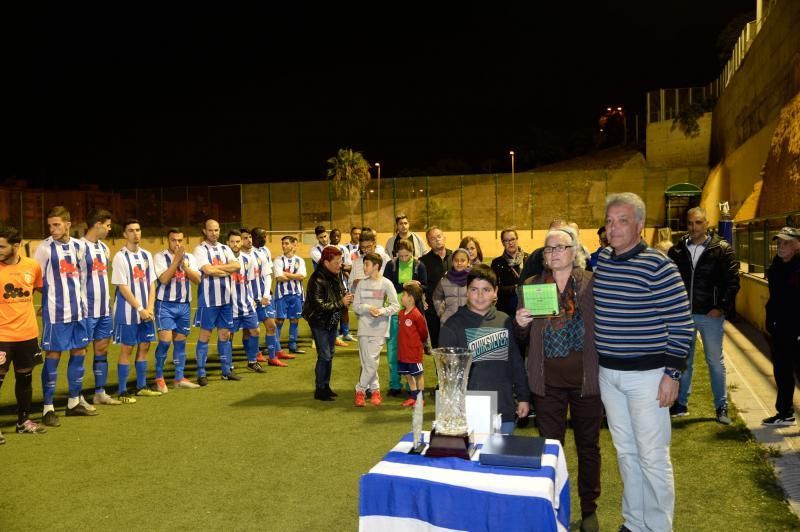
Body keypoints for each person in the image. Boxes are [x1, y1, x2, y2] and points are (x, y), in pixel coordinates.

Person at [593, 192, 693, 532]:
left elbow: (682, 324)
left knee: (652, 457)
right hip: (609, 375)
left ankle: (659, 528)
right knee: (626, 453)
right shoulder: (603, 260)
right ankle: (634, 523)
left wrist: (672, 375)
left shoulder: (658, 265)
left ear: (639, 224)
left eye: (622, 220)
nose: (614, 227)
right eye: (609, 221)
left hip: (648, 378)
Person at [515, 226, 601, 532]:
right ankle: (550, 505)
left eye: (560, 247)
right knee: (550, 447)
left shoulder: (591, 283)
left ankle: (589, 509)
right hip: (547, 380)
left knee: (588, 446)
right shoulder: (531, 285)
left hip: (586, 380)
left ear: (574, 251)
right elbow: (524, 337)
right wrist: (521, 323)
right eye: (548, 249)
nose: (554, 253)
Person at [667, 207, 739, 424]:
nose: (694, 227)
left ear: (707, 223)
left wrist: (720, 306)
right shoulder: (677, 250)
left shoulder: (722, 249)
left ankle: (721, 406)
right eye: (690, 223)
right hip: (683, 315)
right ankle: (681, 403)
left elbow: (733, 282)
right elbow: (668, 282)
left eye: (698, 223)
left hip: (710, 315)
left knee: (714, 361)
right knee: (684, 361)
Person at [439, 264, 530, 435]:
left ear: (495, 292)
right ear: (467, 291)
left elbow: (516, 364)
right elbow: (448, 376)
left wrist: (524, 397)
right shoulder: (452, 326)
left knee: (500, 458)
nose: (480, 295)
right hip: (468, 412)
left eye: (486, 290)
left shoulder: (505, 321)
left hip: (504, 408)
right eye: (474, 289)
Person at [34, 206, 94, 425]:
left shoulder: (80, 247)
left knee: (79, 352)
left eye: (57, 224)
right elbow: (36, 279)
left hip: (79, 312)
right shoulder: (44, 248)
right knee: (54, 355)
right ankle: (48, 408)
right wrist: (50, 298)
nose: (52, 229)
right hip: (56, 313)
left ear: (68, 224)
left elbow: (83, 277)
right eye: (50, 225)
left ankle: (73, 402)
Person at [0, 226, 47, 441]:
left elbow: (42, 288)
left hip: (27, 334)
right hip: (2, 337)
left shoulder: (32, 266)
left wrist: (45, 305)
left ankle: (23, 421)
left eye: (2, 246)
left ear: (16, 245)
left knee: (25, 379)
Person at [111, 219, 160, 401]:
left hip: (146, 311)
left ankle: (141, 386)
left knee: (145, 346)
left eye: (138, 230)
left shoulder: (147, 255)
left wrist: (150, 307)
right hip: (128, 311)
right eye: (131, 230)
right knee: (127, 349)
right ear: (125, 234)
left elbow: (152, 283)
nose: (135, 233)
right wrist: (139, 308)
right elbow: (122, 286)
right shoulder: (120, 257)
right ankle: (122, 391)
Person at [193, 218, 241, 385]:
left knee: (225, 334)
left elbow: (236, 266)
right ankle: (201, 373)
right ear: (205, 231)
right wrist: (225, 271)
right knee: (205, 335)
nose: (214, 233)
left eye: (217, 230)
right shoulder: (200, 250)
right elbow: (206, 269)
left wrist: (217, 270)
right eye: (211, 230)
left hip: (226, 299)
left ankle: (226, 371)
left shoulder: (225, 248)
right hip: (208, 300)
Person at [153, 227, 202, 391]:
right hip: (165, 305)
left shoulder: (190, 258)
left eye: (180, 240)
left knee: (180, 343)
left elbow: (197, 280)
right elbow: (164, 279)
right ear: (168, 240)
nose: (177, 243)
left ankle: (179, 378)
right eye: (174, 240)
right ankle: (159, 377)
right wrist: (176, 261)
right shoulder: (160, 257)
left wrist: (185, 266)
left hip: (184, 305)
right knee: (165, 342)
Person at [80, 209, 121, 405]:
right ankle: (76, 396)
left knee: (102, 350)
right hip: (86, 310)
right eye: (107, 225)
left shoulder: (104, 248)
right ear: (97, 224)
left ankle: (99, 392)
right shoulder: (78, 247)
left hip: (104, 309)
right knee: (80, 351)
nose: (109, 229)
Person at [303, 246, 353, 401]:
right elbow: (320, 306)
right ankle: (320, 389)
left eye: (341, 261)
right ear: (326, 262)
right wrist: (341, 302)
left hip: (331, 319)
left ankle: (325, 386)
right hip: (319, 321)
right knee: (324, 355)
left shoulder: (335, 274)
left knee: (329, 354)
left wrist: (344, 296)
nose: (340, 264)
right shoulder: (316, 279)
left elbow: (338, 293)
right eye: (337, 262)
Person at [762, 227, 800, 426]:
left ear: (796, 245)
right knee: (782, 372)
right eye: (779, 243)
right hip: (780, 330)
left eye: (786, 243)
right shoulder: (776, 267)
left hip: (797, 330)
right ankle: (785, 413)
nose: (781, 247)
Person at [352, 252, 400, 407]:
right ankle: (375, 391)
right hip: (363, 328)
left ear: (376, 266)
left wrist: (382, 311)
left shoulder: (386, 283)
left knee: (372, 361)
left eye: (367, 264)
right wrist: (368, 307)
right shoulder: (361, 284)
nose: (364, 267)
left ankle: (360, 390)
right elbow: (356, 307)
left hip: (380, 329)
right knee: (367, 362)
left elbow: (395, 305)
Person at [383, 239, 428, 396]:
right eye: (400, 256)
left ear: (412, 253)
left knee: (412, 351)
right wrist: (405, 285)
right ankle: (395, 385)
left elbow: (426, 286)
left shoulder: (419, 265)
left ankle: (413, 387)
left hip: (413, 314)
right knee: (393, 350)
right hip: (395, 314)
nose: (403, 259)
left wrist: (418, 286)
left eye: (406, 256)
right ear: (396, 254)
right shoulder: (391, 265)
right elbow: (387, 285)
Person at [248, 227, 293, 366]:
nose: (264, 239)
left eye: (265, 236)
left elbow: (267, 273)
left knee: (271, 325)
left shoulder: (265, 251)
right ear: (253, 237)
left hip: (264, 296)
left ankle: (273, 356)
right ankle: (254, 354)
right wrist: (250, 297)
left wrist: (267, 293)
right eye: (262, 236)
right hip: (251, 297)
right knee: (251, 329)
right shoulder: (248, 254)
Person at [226, 230, 267, 374]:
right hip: (230, 305)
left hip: (246, 302)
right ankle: (228, 365)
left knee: (254, 330)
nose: (236, 244)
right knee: (229, 335)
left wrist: (253, 299)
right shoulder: (224, 259)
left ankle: (252, 361)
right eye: (232, 241)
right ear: (227, 243)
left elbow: (249, 281)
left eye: (238, 241)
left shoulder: (247, 259)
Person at [419, 226, 453, 348]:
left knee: (455, 345)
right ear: (428, 243)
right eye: (433, 238)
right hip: (433, 312)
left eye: (439, 236)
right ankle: (439, 368)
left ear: (444, 238)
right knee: (438, 347)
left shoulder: (456, 257)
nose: (437, 240)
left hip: (455, 310)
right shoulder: (422, 262)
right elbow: (420, 286)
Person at [273, 235, 306, 355]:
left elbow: (302, 276)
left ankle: (293, 345)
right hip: (282, 295)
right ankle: (277, 348)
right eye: (283, 244)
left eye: (287, 243)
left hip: (296, 294)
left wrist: (287, 274)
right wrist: (294, 276)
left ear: (293, 244)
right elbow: (279, 277)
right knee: (279, 320)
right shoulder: (278, 260)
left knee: (294, 320)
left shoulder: (300, 260)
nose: (284, 246)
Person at [397, 282, 429, 407]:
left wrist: (418, 344)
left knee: (418, 375)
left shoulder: (417, 315)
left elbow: (423, 333)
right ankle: (413, 395)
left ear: (410, 298)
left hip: (414, 352)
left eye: (403, 295)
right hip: (403, 352)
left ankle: (421, 398)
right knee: (408, 375)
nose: (401, 297)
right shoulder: (400, 313)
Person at [490, 228, 529, 316]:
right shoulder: (497, 263)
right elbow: (494, 289)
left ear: (517, 239)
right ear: (503, 243)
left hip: (528, 308)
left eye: (512, 239)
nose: (510, 243)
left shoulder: (529, 259)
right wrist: (514, 289)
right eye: (506, 240)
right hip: (506, 311)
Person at [432, 247, 470, 325]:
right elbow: (436, 297)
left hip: (469, 322)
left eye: (462, 260)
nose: (459, 263)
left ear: (468, 262)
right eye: (456, 260)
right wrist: (441, 312)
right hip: (448, 322)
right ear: (452, 262)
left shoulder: (474, 280)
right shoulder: (444, 280)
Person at [330, 228, 355, 343]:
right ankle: (334, 334)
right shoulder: (327, 249)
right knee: (333, 309)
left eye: (338, 236)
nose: (336, 238)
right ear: (330, 237)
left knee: (345, 307)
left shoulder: (344, 249)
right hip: (330, 284)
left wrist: (343, 267)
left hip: (342, 282)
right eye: (333, 236)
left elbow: (349, 266)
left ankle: (345, 332)